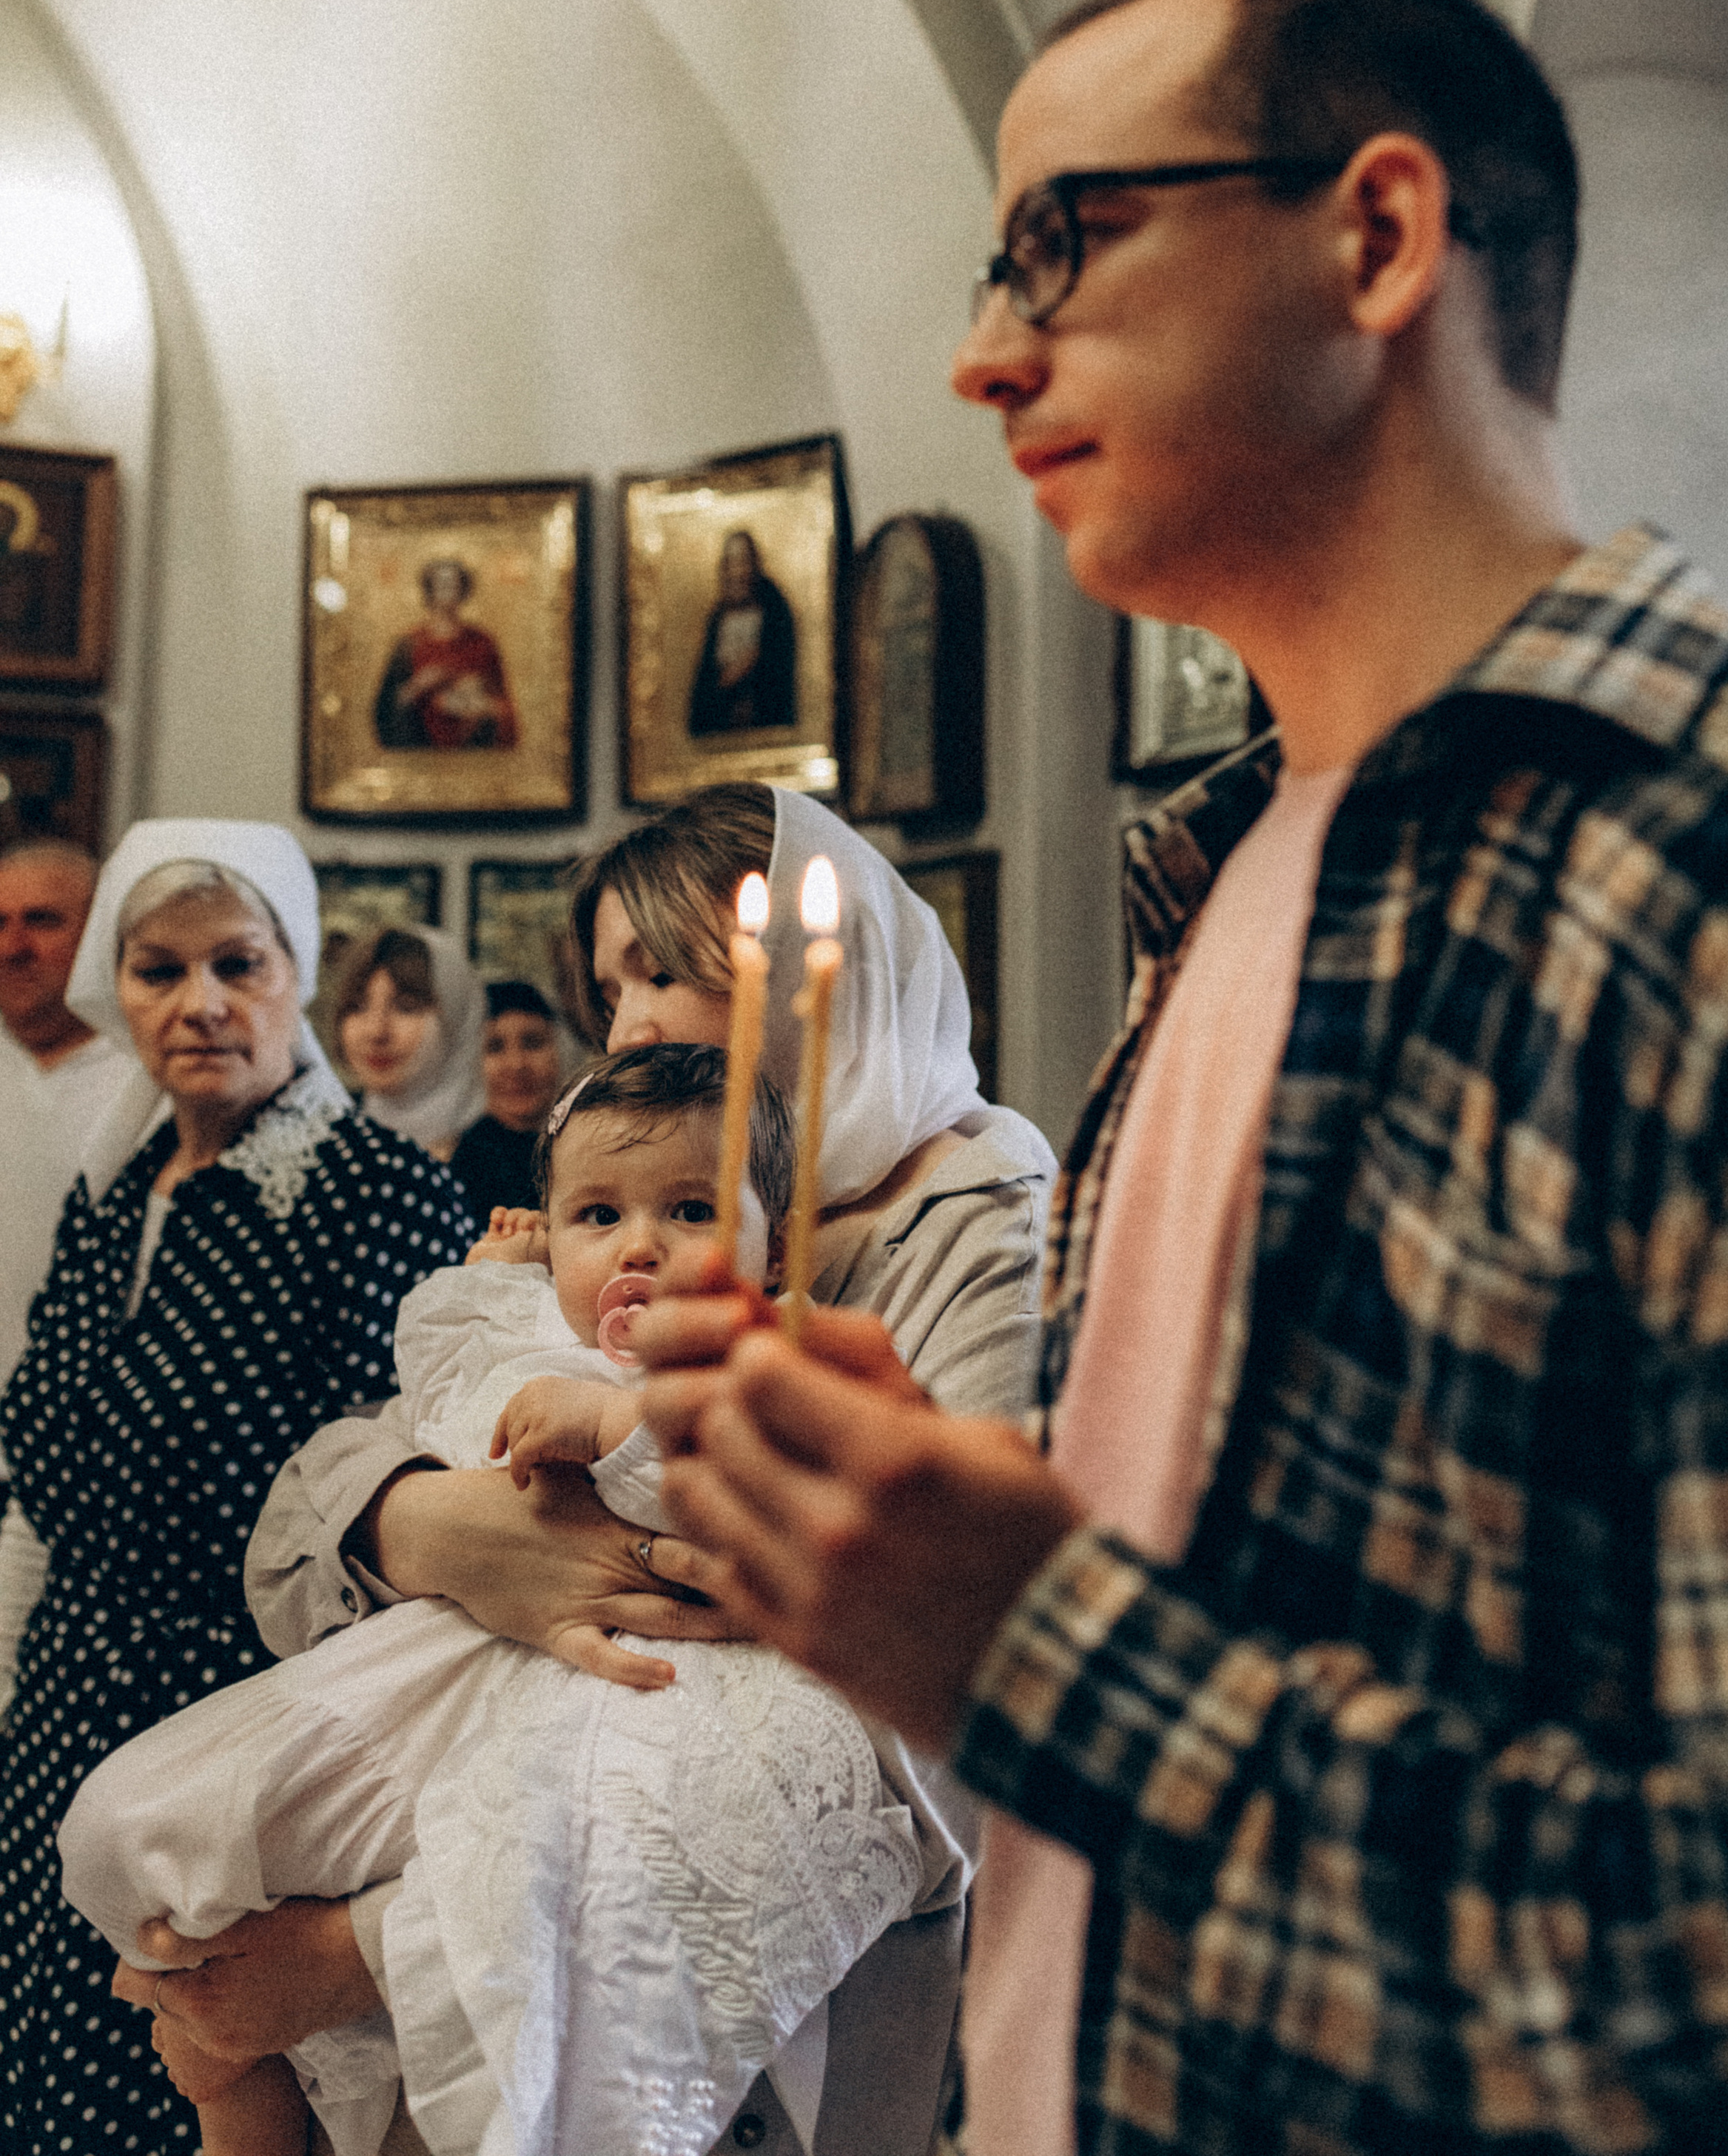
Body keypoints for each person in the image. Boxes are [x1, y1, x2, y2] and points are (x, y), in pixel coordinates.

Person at [635, 0, 1728, 2156]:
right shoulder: (1228, 867)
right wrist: (910, 1529)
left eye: (1063, 239)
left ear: (1379, 235)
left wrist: (1032, 1649)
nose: (980, 350)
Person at [136, 784, 1055, 2156]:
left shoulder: (975, 1229)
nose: (630, 1023)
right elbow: (300, 1520)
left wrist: (373, 1948)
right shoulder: (608, 1202)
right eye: (611, 983)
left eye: (669, 972)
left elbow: (937, 1703)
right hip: (486, 1808)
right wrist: (431, 1530)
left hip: (759, 1985)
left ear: (829, 970)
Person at [63, 1042, 927, 2156]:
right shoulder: (515, 1319)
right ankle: (234, 2082)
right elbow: (414, 1420)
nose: (641, 1246)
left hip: (636, 1711)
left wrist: (616, 1429)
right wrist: (503, 1283)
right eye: (597, 1216)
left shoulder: (786, 1348)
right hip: (444, 1664)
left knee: (503, 2006)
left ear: (777, 1247)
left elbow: (782, 1490)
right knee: (139, 1825)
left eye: (694, 1209)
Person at [0, 817, 475, 2156]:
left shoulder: (369, 1194)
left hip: (240, 1752)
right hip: (59, 1721)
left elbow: (407, 1506)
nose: (201, 1003)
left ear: (295, 976)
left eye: (239, 964)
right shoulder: (117, 1199)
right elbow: (39, 1492)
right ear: (117, 992)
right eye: (160, 971)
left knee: (199, 2098)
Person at [0, 838, 144, 1401]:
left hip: (87, 1441)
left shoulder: (150, 1081)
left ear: (98, 935)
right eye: (0, 921)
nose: (14, 946)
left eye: (42, 921)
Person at [334, 924, 485, 1159]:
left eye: (405, 1008)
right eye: (357, 1007)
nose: (376, 1032)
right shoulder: (326, 1143)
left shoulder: (511, 1162)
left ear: (457, 1019)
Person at [448, 977, 566, 1216]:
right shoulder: (470, 1166)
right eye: (494, 1047)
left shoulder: (570, 1147)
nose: (516, 1065)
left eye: (532, 1043)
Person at [373, 559, 519, 750]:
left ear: (464, 589)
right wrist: (418, 685)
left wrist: (480, 703)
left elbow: (503, 707)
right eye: (441, 583)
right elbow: (386, 709)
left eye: (455, 584)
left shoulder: (482, 643)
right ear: (429, 589)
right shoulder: (408, 645)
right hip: (420, 749)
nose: (449, 589)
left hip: (473, 754)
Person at [687, 530, 798, 735]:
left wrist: (755, 663)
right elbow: (703, 701)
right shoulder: (718, 621)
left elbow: (778, 684)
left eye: (743, 562)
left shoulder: (775, 617)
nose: (737, 574)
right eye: (731, 564)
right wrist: (727, 680)